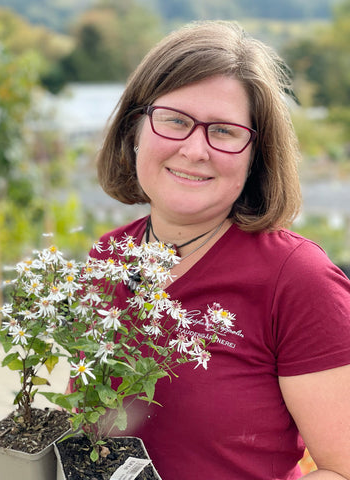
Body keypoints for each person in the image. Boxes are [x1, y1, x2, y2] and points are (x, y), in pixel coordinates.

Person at [89, 21, 350, 479]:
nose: (194, 149)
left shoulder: (297, 278)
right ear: (135, 129)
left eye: (225, 131)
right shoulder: (105, 260)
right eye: (175, 120)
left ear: (256, 157)